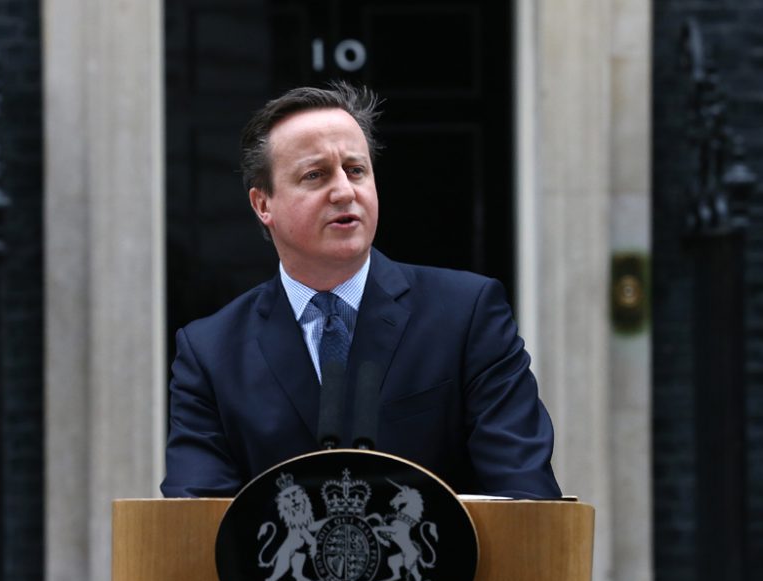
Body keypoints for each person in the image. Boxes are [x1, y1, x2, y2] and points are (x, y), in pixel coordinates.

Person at [161, 81, 560, 502]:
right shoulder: (209, 352)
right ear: (263, 205)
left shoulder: (467, 315)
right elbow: (194, 520)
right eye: (315, 176)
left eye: (356, 170)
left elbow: (527, 498)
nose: (344, 191)